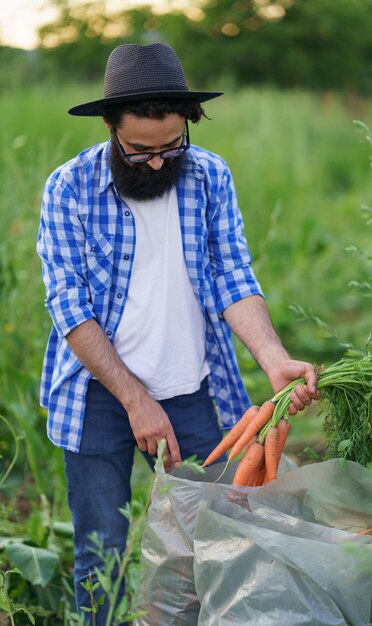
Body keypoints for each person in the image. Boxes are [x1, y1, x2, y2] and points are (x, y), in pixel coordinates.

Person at [37, 42, 320, 624]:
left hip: (195, 391)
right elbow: (71, 309)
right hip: (99, 396)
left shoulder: (210, 177)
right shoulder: (68, 189)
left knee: (213, 542)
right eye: (140, 153)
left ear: (188, 126)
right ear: (111, 128)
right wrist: (136, 400)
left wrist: (273, 358)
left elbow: (232, 276)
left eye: (172, 146)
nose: (160, 163)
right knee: (100, 553)